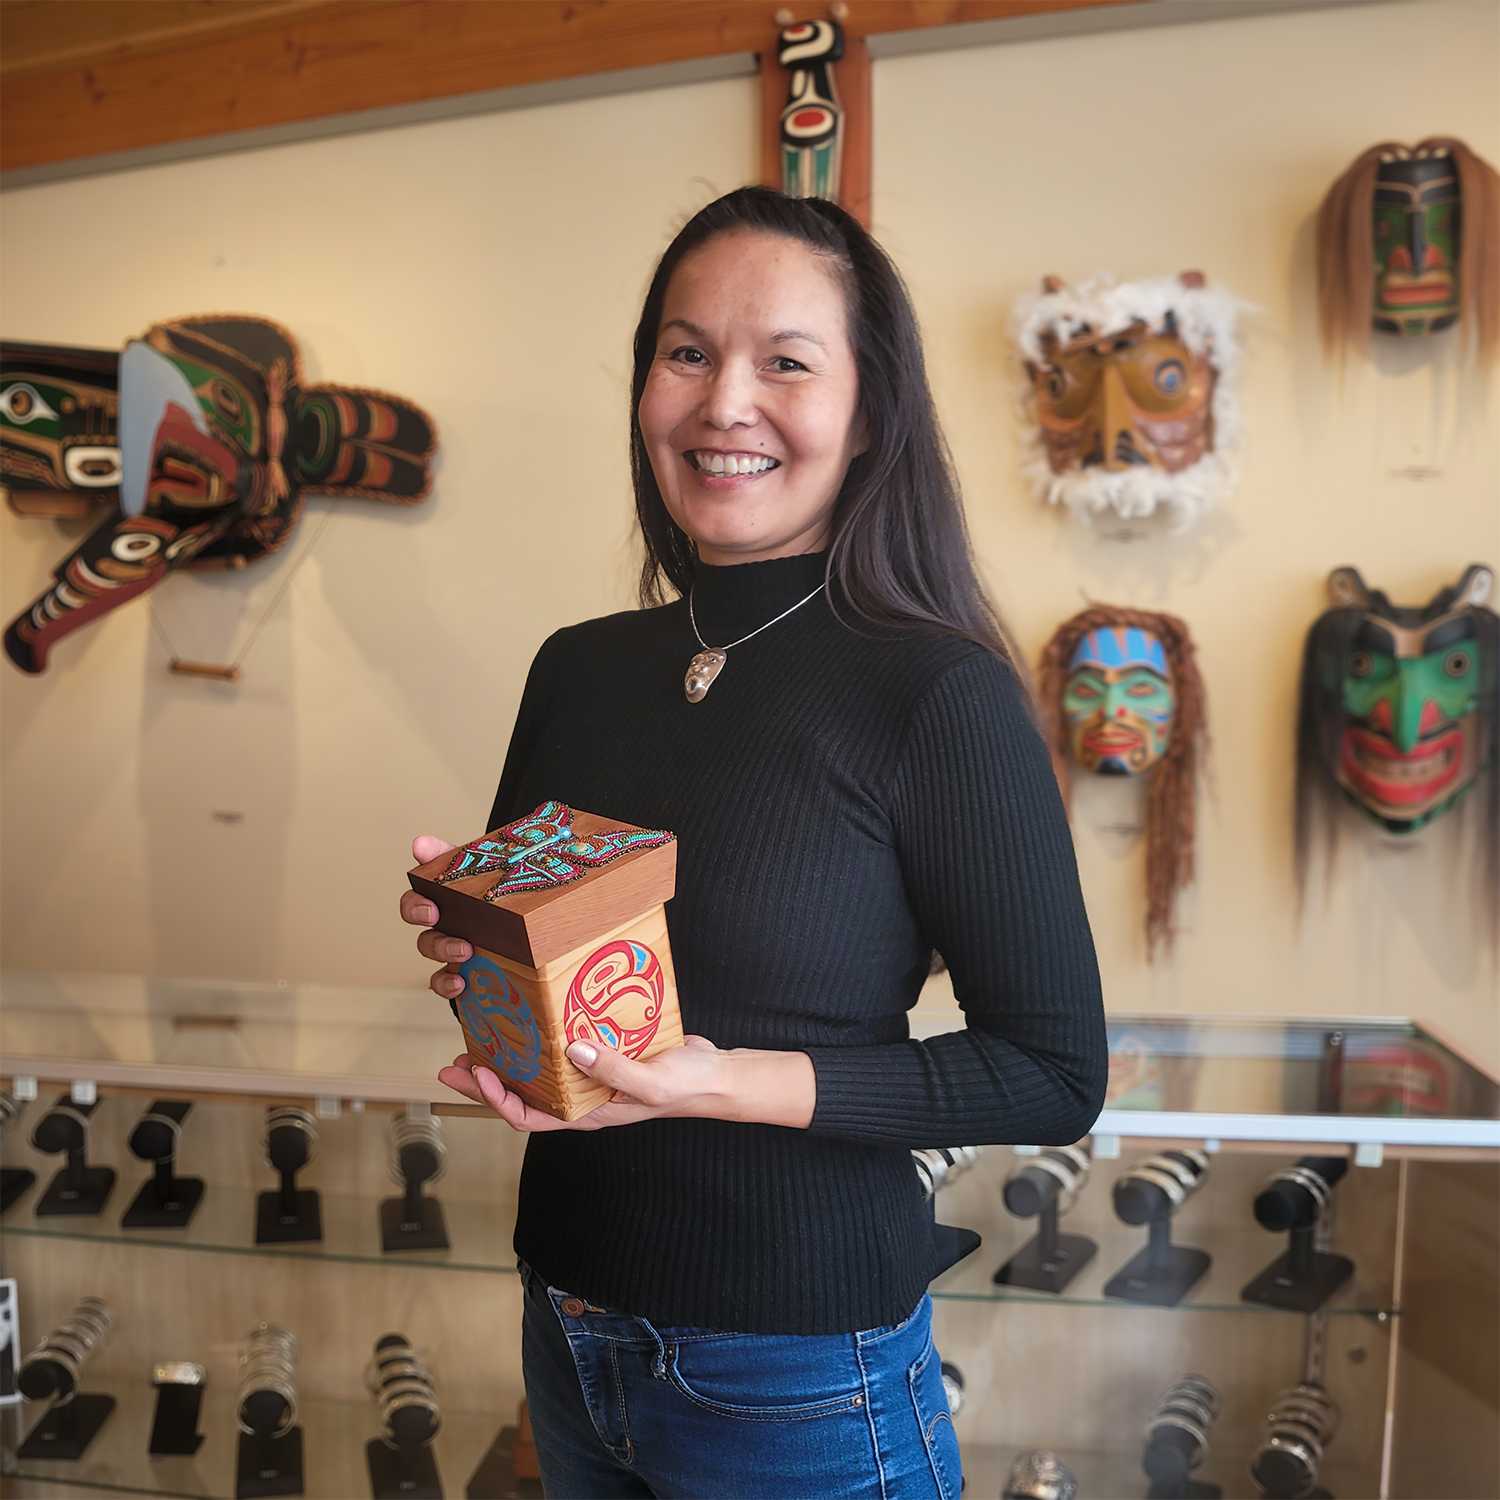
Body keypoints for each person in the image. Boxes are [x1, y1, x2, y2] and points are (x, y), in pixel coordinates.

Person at [399, 186, 1107, 1500]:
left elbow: (1055, 1072)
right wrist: (478, 960)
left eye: (785, 360)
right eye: (686, 352)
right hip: (566, 1315)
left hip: (800, 1365)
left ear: (870, 410)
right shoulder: (579, 668)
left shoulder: (934, 692)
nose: (725, 401)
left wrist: (723, 1080)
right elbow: (560, 975)